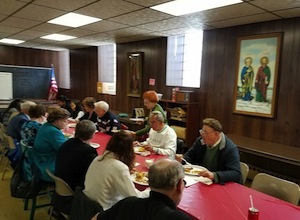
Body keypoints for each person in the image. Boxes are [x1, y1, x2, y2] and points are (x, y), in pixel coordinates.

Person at [92, 158, 190, 220]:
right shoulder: (177, 218)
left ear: (149, 182)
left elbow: (95, 218)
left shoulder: (128, 203)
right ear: (179, 185)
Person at [84, 131, 149, 211]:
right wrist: (150, 190)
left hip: (85, 206)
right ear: (129, 149)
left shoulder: (97, 159)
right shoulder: (120, 168)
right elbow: (134, 197)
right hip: (104, 211)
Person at [176, 118, 242, 184]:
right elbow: (190, 156)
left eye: (205, 133)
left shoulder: (229, 148)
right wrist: (182, 159)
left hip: (220, 184)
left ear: (216, 134)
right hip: (202, 180)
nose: (202, 135)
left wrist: (214, 175)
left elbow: (235, 173)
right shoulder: (201, 142)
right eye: (202, 132)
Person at [55, 120, 97, 190]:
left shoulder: (67, 143)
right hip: (74, 187)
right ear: (92, 135)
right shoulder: (89, 152)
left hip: (60, 181)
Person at [32, 108, 70, 182]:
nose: (67, 123)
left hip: (40, 159)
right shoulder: (52, 131)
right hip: (48, 163)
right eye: (64, 121)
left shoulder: (46, 126)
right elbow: (63, 150)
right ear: (56, 120)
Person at [20, 104, 46, 180]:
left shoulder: (25, 123)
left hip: (27, 153)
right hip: (36, 154)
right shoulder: (39, 127)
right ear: (42, 115)